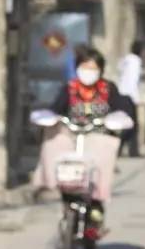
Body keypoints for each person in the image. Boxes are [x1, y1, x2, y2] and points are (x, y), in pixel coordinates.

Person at [39, 47, 129, 218]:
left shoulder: (108, 88)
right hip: (73, 134)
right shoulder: (70, 88)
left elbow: (121, 109)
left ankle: (97, 201)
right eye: (85, 67)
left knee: (101, 160)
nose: (88, 72)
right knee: (54, 143)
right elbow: (56, 108)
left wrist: (117, 119)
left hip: (98, 135)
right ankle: (50, 183)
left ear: (100, 70)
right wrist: (50, 117)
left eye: (93, 68)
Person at [116, 39, 145, 158]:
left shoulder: (126, 59)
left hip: (122, 94)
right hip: (130, 96)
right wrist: (137, 98)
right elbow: (133, 81)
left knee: (130, 124)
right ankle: (120, 147)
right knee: (130, 125)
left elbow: (120, 72)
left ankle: (133, 151)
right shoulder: (136, 61)